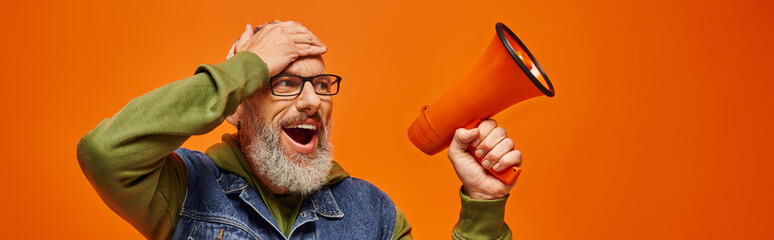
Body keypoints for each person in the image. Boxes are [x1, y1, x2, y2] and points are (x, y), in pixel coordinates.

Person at [77, 20, 522, 240]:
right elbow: (106, 152)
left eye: (322, 85)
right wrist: (242, 69)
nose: (312, 101)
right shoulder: (182, 189)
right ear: (237, 108)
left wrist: (483, 204)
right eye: (285, 83)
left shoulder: (375, 214)